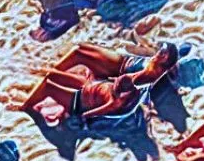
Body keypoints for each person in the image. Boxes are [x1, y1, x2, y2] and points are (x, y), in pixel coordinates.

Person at [20, 42, 180, 125]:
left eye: (161, 53)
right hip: (99, 87)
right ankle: (45, 81)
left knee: (74, 58)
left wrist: (86, 116)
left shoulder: (136, 83)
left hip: (96, 92)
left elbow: (112, 106)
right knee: (76, 55)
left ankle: (24, 106)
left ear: (163, 59)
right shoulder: (148, 72)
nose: (157, 52)